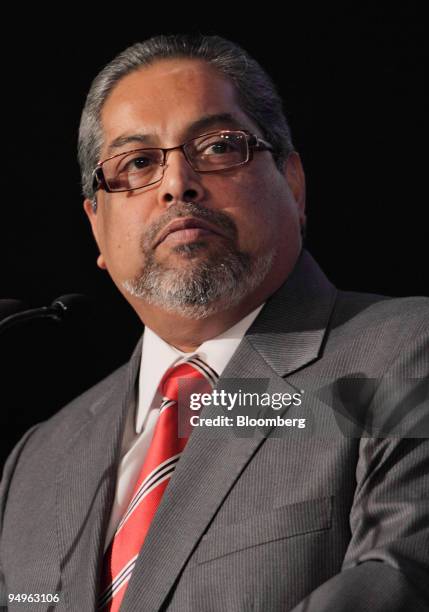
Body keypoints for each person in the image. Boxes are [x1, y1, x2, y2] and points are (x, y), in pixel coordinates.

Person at [1, 33, 429, 612]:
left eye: (220, 146)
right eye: (138, 163)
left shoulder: (406, 352)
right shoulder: (36, 461)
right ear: (96, 227)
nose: (177, 183)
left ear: (294, 185)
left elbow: (400, 581)